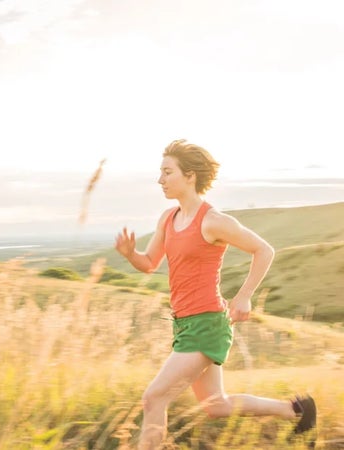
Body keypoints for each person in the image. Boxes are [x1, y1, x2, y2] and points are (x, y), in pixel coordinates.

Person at [115, 139, 316, 450]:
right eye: (161, 172)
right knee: (216, 406)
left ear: (190, 175)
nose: (160, 180)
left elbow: (264, 250)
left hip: (207, 324)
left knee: (154, 398)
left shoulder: (213, 220)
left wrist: (244, 295)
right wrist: (130, 254)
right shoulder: (167, 219)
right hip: (184, 324)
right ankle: (297, 409)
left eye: (168, 172)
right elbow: (149, 263)